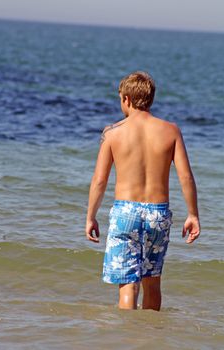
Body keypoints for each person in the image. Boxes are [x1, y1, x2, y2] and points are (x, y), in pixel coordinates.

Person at [85, 71, 200, 310]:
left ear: (126, 99)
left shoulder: (112, 133)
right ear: (150, 99)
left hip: (125, 213)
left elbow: (99, 181)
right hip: (158, 214)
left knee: (128, 284)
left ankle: (127, 338)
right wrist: (193, 214)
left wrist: (90, 217)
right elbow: (186, 176)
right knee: (153, 282)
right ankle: (149, 338)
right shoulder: (171, 130)